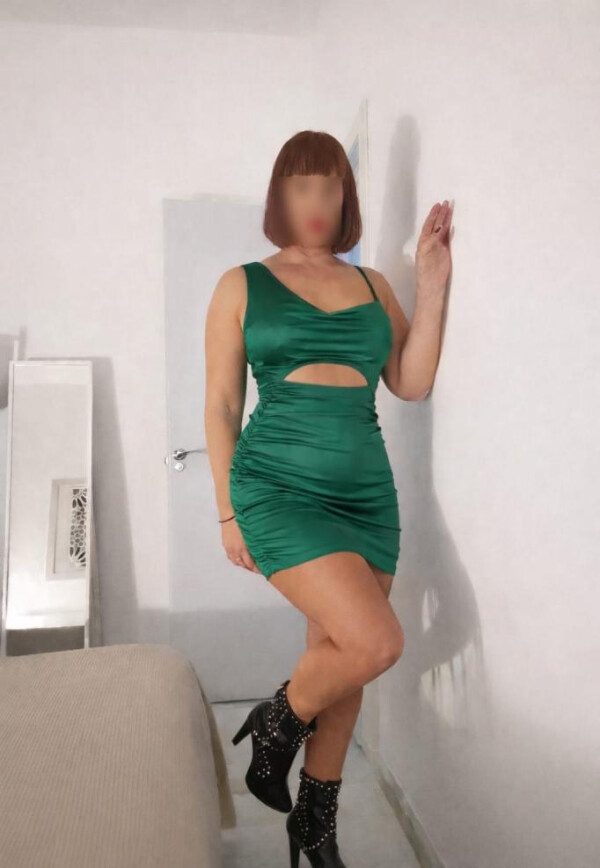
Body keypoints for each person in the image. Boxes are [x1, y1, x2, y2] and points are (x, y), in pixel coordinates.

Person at [205, 129, 452, 866]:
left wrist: (431, 283)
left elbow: (410, 381)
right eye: (300, 187)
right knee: (376, 642)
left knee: (341, 651)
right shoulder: (241, 283)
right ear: (279, 197)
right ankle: (277, 720)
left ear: (346, 197)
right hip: (276, 487)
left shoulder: (373, 285)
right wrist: (227, 511)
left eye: (329, 187)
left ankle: (315, 824)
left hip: (366, 495)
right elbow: (222, 405)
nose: (316, 201)